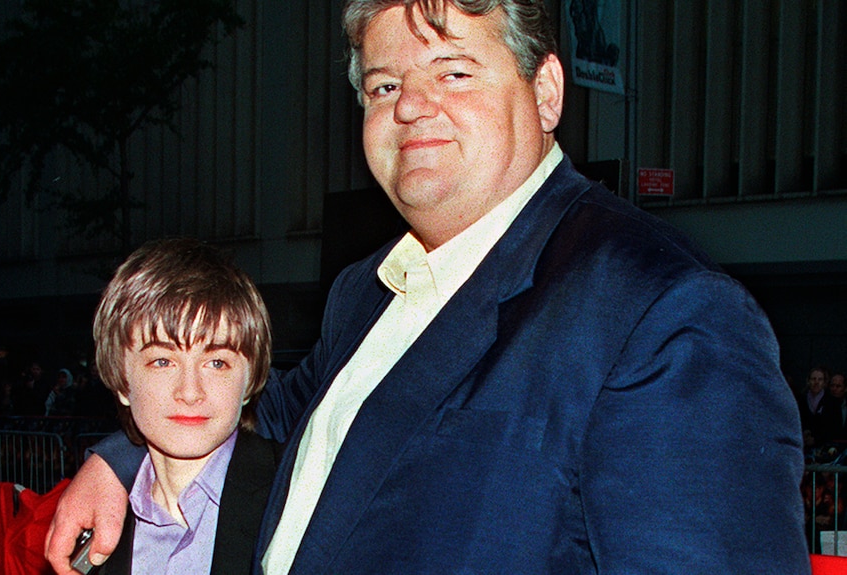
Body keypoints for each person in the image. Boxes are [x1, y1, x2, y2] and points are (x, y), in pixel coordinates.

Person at [47, 1, 809, 573]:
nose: (410, 105)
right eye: (383, 86)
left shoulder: (661, 312)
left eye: (452, 71)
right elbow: (254, 411)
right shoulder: (367, 292)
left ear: (546, 92)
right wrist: (117, 457)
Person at [85, 238, 278, 574]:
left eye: (217, 362)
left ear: (250, 379)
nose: (190, 392)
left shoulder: (294, 495)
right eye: (162, 361)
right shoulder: (95, 524)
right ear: (120, 379)